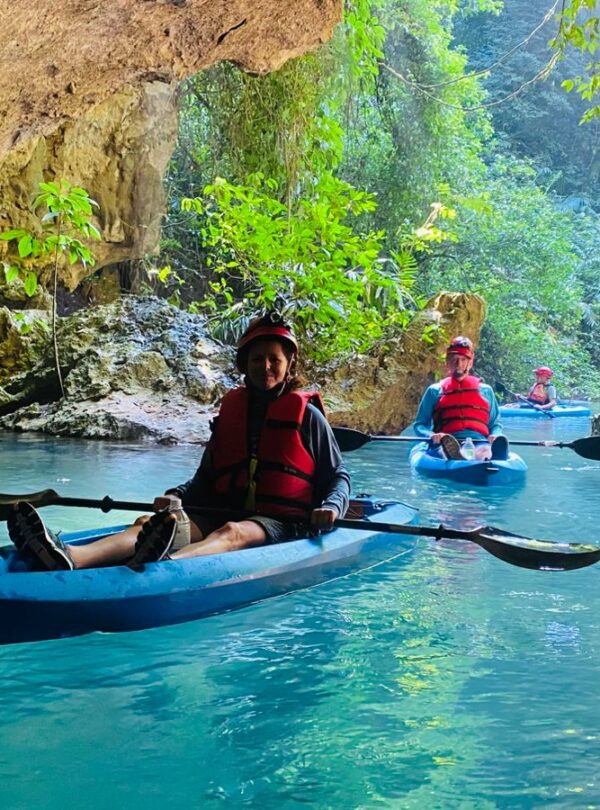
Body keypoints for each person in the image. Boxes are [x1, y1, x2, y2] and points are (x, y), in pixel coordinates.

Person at [7, 313, 351, 571]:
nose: (265, 366)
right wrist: (178, 496)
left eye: (274, 359)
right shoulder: (233, 413)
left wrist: (332, 507)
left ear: (289, 364)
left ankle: (161, 568)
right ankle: (72, 556)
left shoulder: (308, 418)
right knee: (153, 524)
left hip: (281, 524)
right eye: (257, 359)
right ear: (244, 364)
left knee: (233, 532)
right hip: (222, 510)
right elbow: (205, 478)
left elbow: (338, 477)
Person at [412, 335, 508, 461]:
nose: (459, 364)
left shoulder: (486, 391)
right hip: (447, 441)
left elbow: (495, 424)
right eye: (454, 359)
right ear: (447, 362)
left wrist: (496, 435)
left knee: (485, 451)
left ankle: (490, 459)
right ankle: (458, 457)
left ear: (470, 362)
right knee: (445, 451)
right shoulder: (434, 391)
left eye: (463, 360)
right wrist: (432, 435)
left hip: (479, 442)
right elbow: (420, 425)